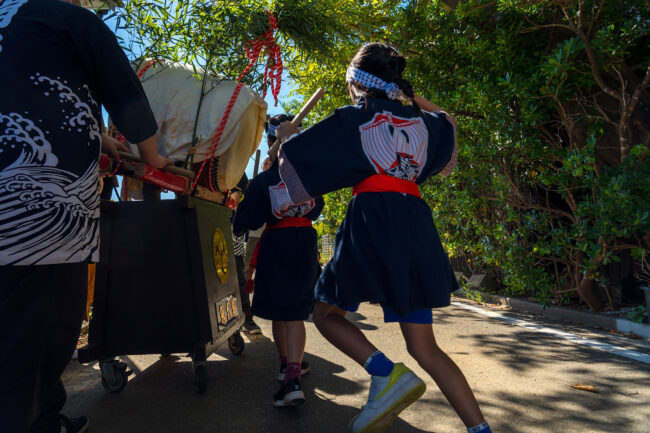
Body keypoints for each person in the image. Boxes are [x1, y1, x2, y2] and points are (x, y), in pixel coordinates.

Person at [275, 43, 492, 433]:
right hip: (414, 222)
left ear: (357, 83)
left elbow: (293, 174)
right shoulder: (426, 123)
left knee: (325, 314)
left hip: (373, 217)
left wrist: (288, 136)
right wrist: (409, 98)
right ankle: (481, 430)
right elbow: (448, 120)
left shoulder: (352, 118)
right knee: (425, 348)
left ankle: (385, 373)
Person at [0, 1, 170, 432]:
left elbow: (21, 103)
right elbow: (125, 94)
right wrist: (152, 156)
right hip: (42, 210)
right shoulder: (65, 18)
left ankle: (45, 414)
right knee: (44, 322)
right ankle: (30, 422)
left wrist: (98, 143)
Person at [233, 145, 323, 407]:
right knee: (295, 313)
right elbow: (317, 209)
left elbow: (246, 220)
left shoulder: (264, 180)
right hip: (304, 243)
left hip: (276, 242)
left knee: (279, 310)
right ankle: (292, 372)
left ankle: (288, 370)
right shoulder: (309, 175)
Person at [227, 175, 261, 335]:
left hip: (234, 228)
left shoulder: (238, 170)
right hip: (202, 220)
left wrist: (236, 195)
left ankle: (245, 316)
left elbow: (241, 195)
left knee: (240, 275)